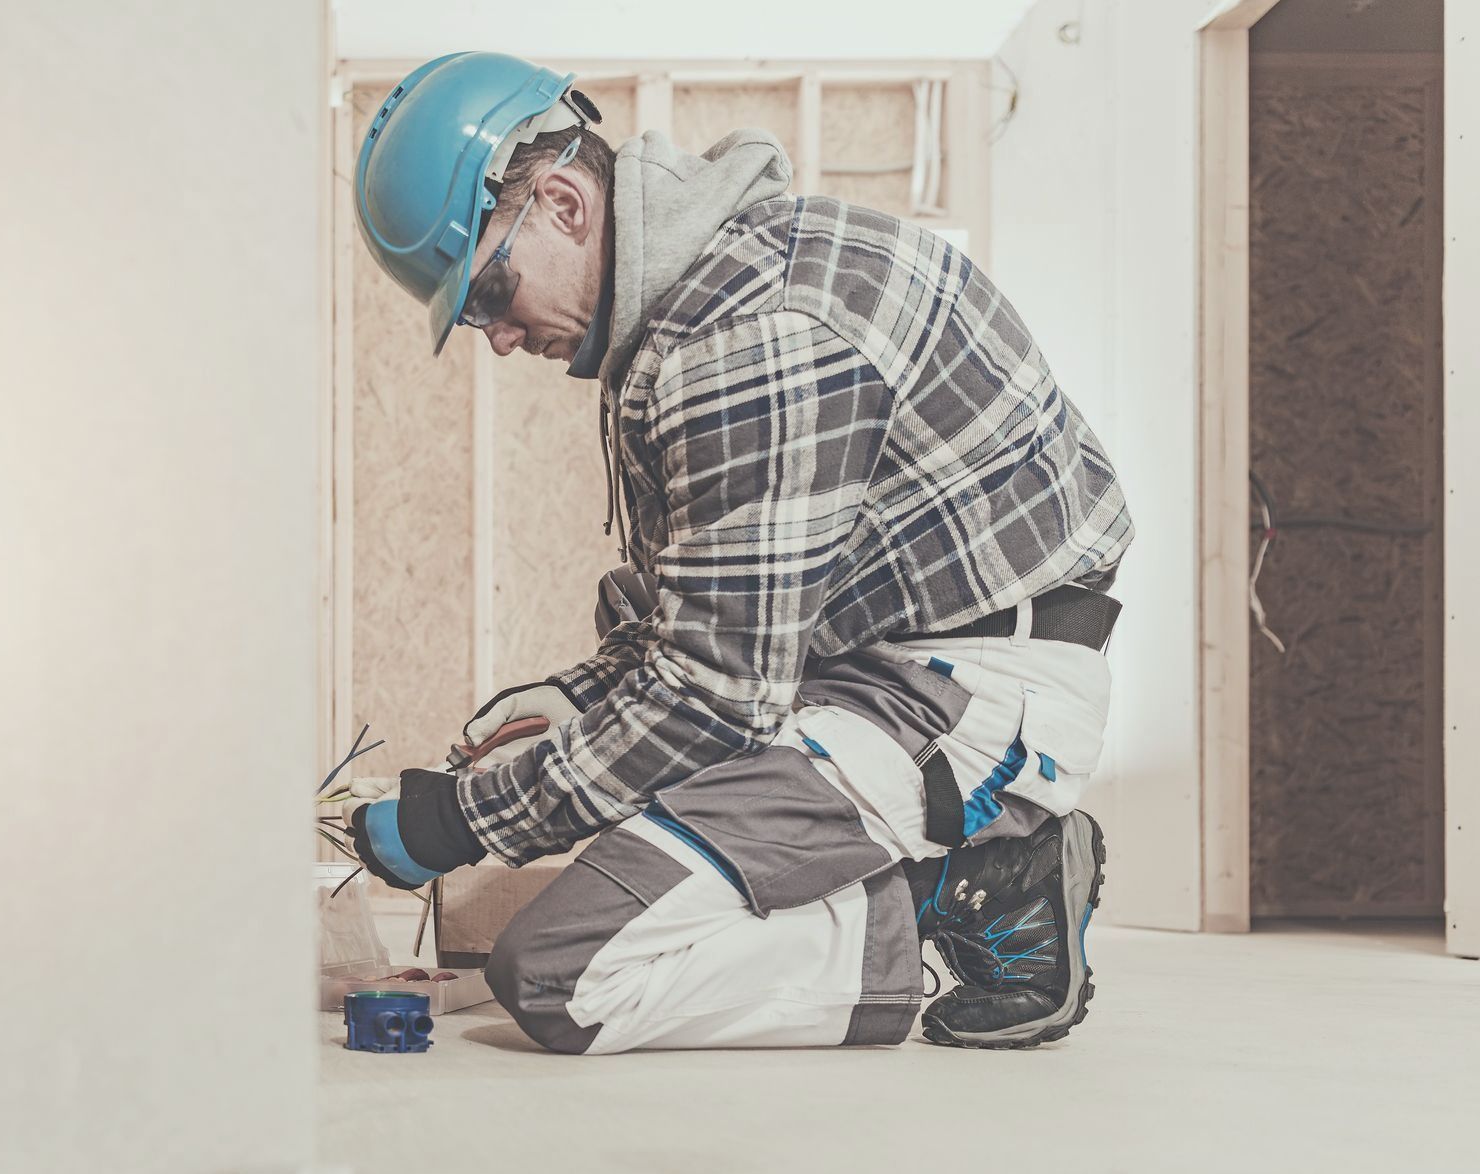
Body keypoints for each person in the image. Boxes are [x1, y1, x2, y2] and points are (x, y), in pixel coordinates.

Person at [342, 52, 1133, 1052]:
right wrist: (574, 698)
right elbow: (717, 618)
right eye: (471, 316)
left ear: (563, 204)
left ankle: (973, 892)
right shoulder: (698, 304)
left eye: (490, 290)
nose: (496, 337)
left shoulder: (745, 342)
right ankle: (932, 880)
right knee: (619, 811)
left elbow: (714, 696)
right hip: (872, 666)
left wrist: (459, 822)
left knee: (563, 978)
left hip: (959, 693)